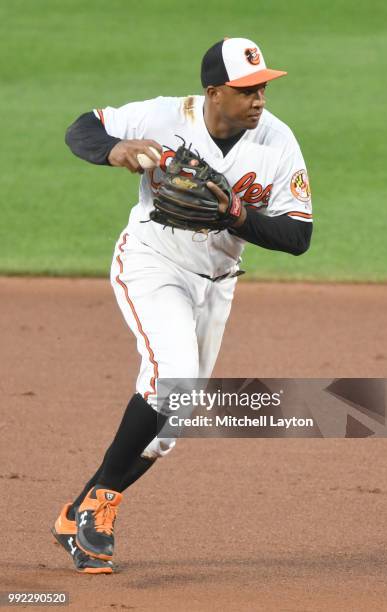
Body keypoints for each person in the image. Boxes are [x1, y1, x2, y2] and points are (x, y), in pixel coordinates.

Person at [51, 37, 313, 574]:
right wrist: (113, 149)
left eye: (262, 86)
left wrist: (236, 218)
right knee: (171, 376)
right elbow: (82, 126)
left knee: (173, 423)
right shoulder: (166, 116)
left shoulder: (278, 140)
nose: (259, 97)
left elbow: (298, 236)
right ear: (214, 92)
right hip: (153, 263)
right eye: (246, 90)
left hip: (217, 282)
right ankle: (101, 512)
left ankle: (79, 511)